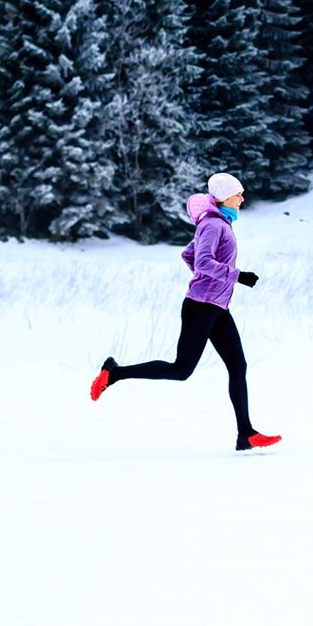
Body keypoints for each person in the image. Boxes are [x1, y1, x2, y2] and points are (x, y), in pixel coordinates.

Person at [90, 172, 281, 452]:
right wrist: (236, 276)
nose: (242, 198)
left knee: (238, 366)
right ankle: (114, 373)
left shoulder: (219, 223)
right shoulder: (214, 225)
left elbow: (189, 255)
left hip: (217, 306)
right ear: (223, 197)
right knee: (181, 370)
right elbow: (202, 261)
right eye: (237, 193)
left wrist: (212, 281)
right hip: (201, 306)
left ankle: (246, 434)